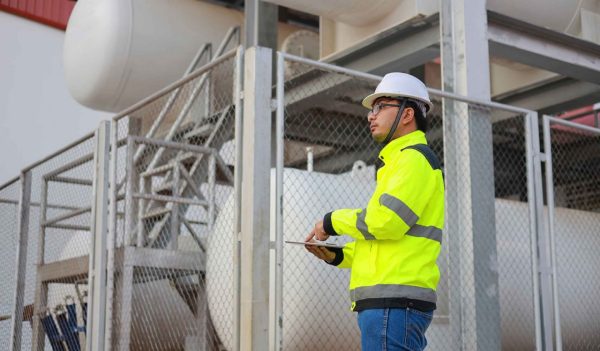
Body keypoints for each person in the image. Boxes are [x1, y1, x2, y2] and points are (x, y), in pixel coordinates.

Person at [304, 72, 444, 351]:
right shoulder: (398, 162)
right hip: (389, 302)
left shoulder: (413, 160)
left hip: (393, 303)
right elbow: (385, 240)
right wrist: (339, 254)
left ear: (407, 114)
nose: (371, 115)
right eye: (372, 109)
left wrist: (331, 222)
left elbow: (386, 222)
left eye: (381, 107)